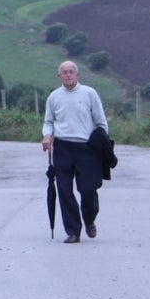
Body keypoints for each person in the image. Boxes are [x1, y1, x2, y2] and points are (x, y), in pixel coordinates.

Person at [42, 60, 108, 243]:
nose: (68, 74)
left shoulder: (89, 93)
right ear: (59, 76)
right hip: (62, 147)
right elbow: (48, 122)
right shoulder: (54, 97)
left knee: (88, 190)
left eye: (72, 71)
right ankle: (73, 231)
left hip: (86, 148)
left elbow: (101, 122)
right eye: (65, 72)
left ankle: (89, 218)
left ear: (78, 75)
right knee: (64, 190)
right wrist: (47, 136)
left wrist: (101, 143)